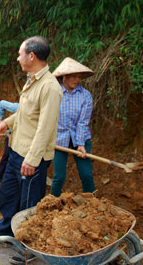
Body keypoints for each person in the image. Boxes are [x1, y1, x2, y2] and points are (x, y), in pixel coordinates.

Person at [0, 36, 62, 265]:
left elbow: (45, 127)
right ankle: (6, 233)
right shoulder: (31, 80)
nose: (18, 58)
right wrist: (8, 122)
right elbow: (25, 114)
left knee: (29, 205)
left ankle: (28, 250)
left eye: (20, 53)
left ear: (31, 56)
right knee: (9, 196)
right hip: (15, 150)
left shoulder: (50, 87)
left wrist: (32, 160)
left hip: (31, 157)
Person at [50, 57, 95, 196]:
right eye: (74, 76)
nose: (77, 80)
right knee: (59, 177)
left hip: (79, 138)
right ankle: (52, 203)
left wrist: (81, 144)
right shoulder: (54, 93)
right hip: (59, 139)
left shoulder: (85, 96)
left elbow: (83, 121)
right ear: (65, 76)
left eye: (79, 77)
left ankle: (91, 203)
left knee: (86, 174)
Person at [0, 100, 19, 182]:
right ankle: (0, 178)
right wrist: (0, 120)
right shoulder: (18, 108)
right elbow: (1, 103)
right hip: (11, 136)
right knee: (7, 156)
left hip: (23, 140)